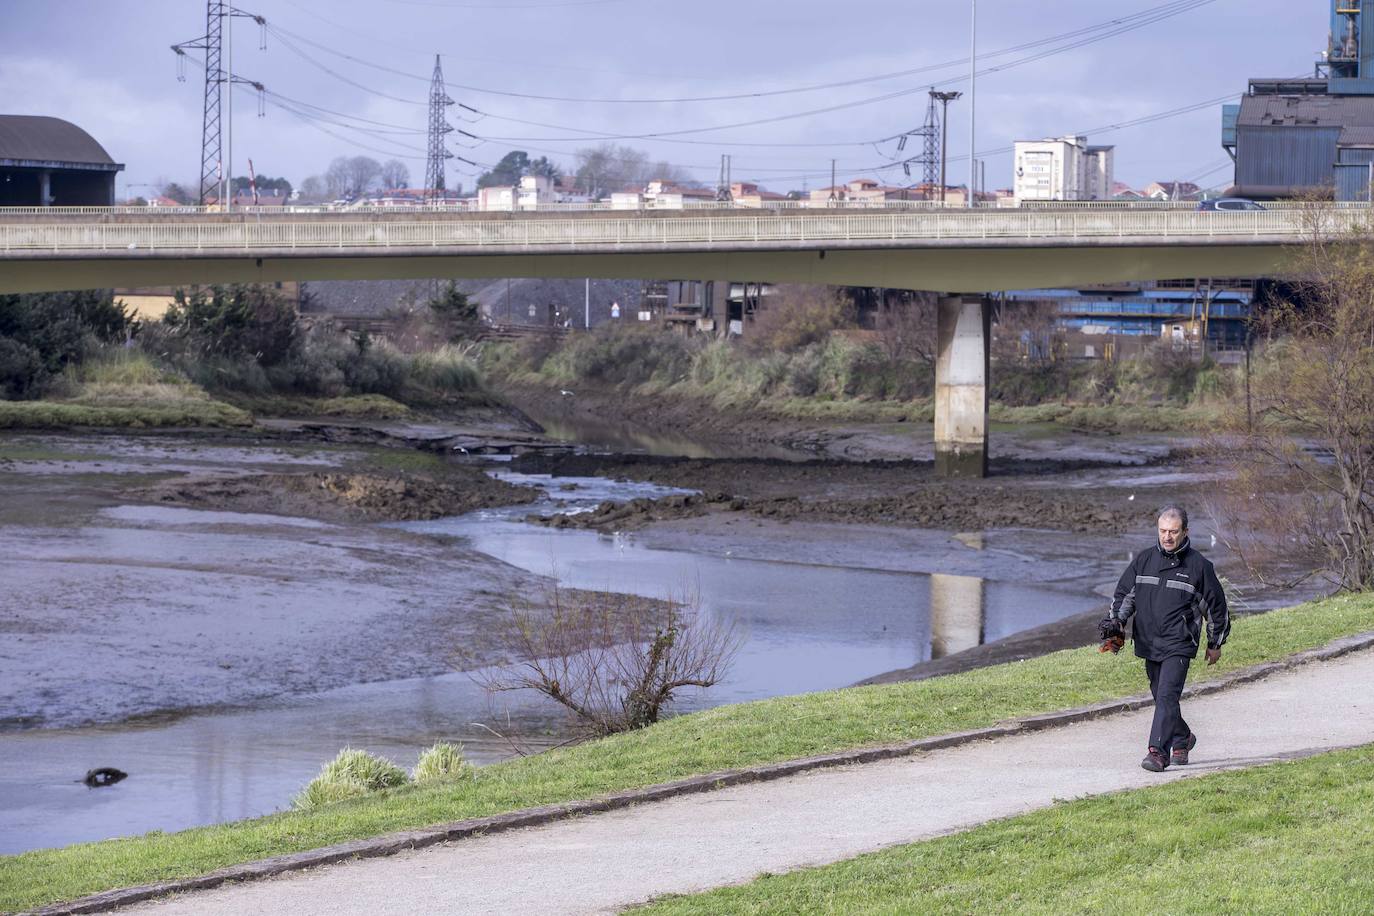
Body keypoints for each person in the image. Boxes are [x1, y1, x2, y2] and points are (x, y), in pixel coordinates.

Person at [1099, 506, 1230, 772]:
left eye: (1173, 531)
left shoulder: (1199, 567)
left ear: (1185, 532)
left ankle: (1158, 753)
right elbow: (1126, 595)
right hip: (1148, 641)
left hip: (1179, 643)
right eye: (1162, 531)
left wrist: (1215, 643)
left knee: (1167, 696)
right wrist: (1117, 624)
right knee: (1161, 697)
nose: (1167, 537)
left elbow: (1216, 607)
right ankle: (1182, 738)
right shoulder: (1144, 560)